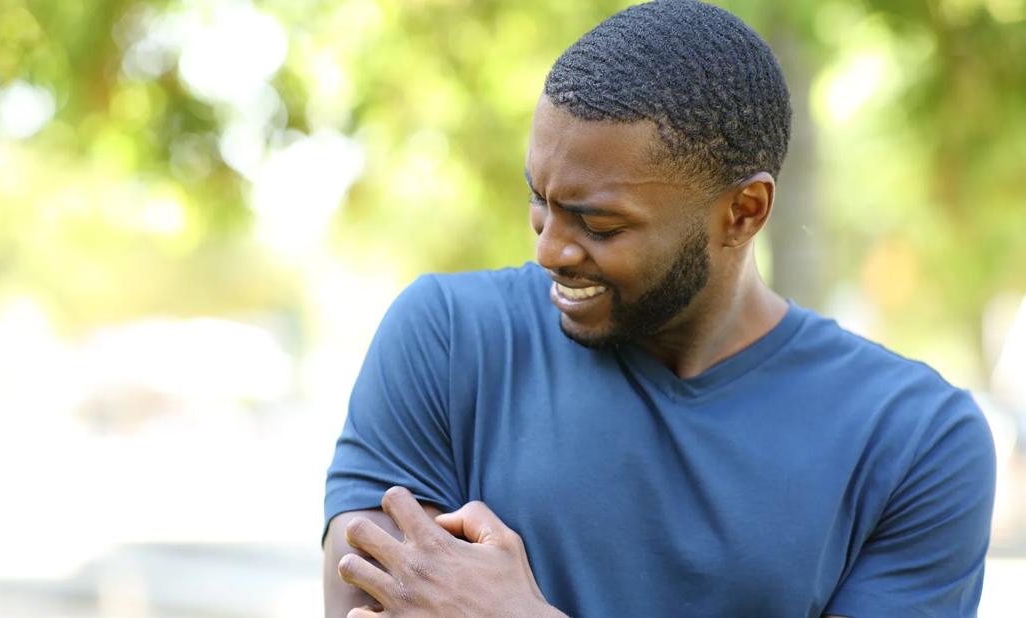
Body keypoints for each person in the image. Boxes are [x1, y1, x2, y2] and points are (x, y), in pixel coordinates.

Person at [322, 1, 997, 616]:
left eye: (599, 224)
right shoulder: (447, 339)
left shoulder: (914, 440)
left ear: (742, 211)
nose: (551, 250)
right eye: (540, 200)